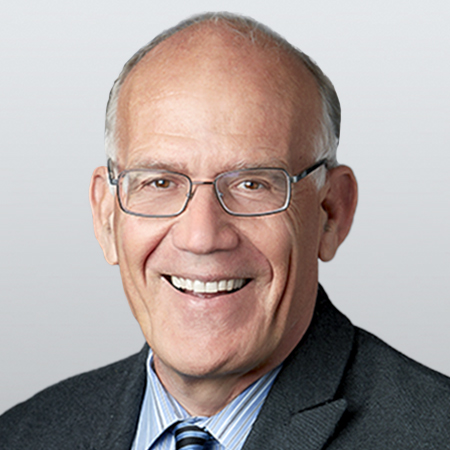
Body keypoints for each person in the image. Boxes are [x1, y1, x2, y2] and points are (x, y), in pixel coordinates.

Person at [1, 12, 449, 449]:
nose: (201, 237)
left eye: (253, 184)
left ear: (332, 212)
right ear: (106, 217)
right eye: (160, 183)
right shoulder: (24, 435)